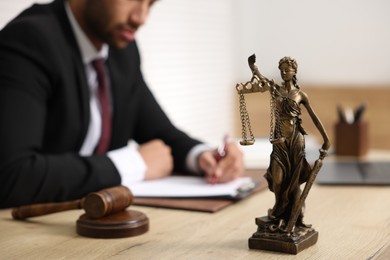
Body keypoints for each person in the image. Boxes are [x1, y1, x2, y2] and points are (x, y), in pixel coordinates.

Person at [0, 0, 244, 208]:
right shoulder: (29, 40)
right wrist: (133, 163)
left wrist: (204, 157)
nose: (141, 17)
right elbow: (12, 175)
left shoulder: (121, 50)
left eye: (150, 3)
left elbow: (160, 134)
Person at [236, 56, 330, 231]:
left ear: (294, 71)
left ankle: (294, 217)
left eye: (288, 69)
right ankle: (280, 212)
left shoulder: (301, 95)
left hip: (295, 141)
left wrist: (326, 138)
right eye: (282, 69)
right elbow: (261, 78)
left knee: (293, 183)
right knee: (278, 181)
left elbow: (314, 118)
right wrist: (253, 66)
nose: (284, 72)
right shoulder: (276, 90)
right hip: (279, 142)